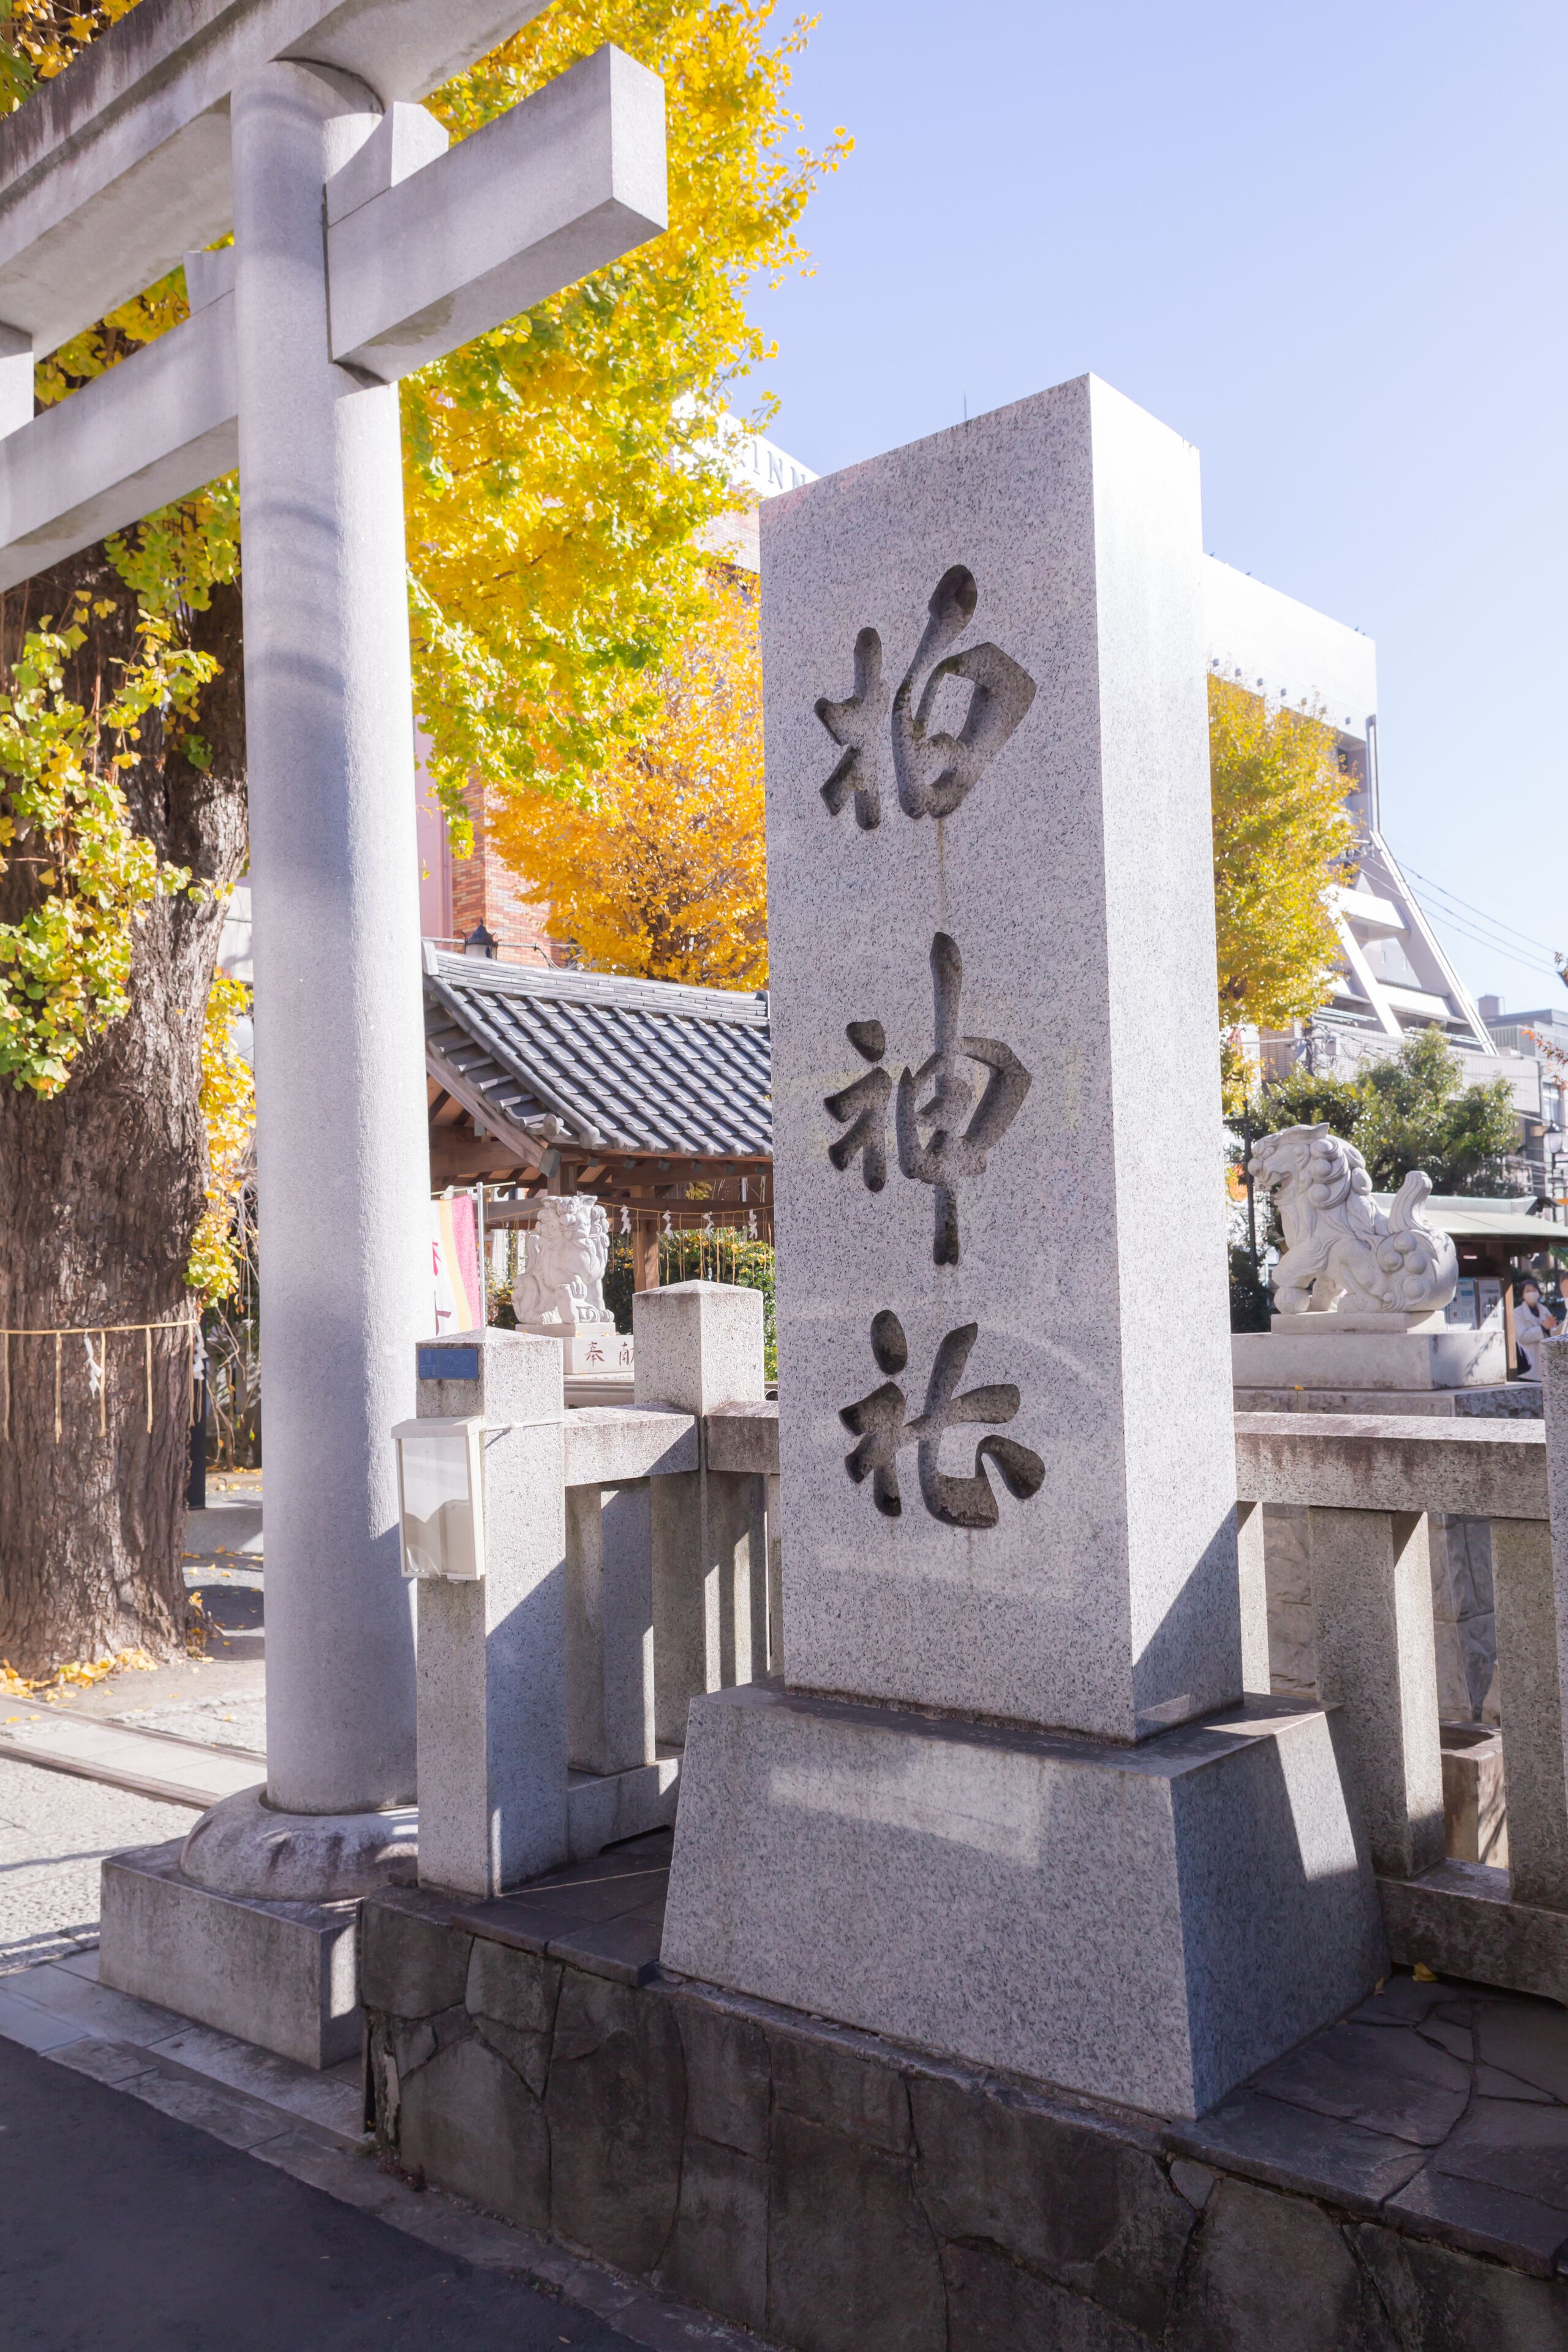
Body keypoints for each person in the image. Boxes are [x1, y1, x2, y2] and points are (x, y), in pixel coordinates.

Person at [1513, 1278, 1559, 1378]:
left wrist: (1549, 1328)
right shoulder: (1517, 1313)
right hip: (1529, 1367)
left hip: (1545, 1365)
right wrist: (1543, 1328)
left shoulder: (1544, 1310)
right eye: (1528, 1291)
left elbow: (1553, 1333)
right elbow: (1522, 1336)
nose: (1532, 1293)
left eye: (1534, 1290)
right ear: (1522, 1295)